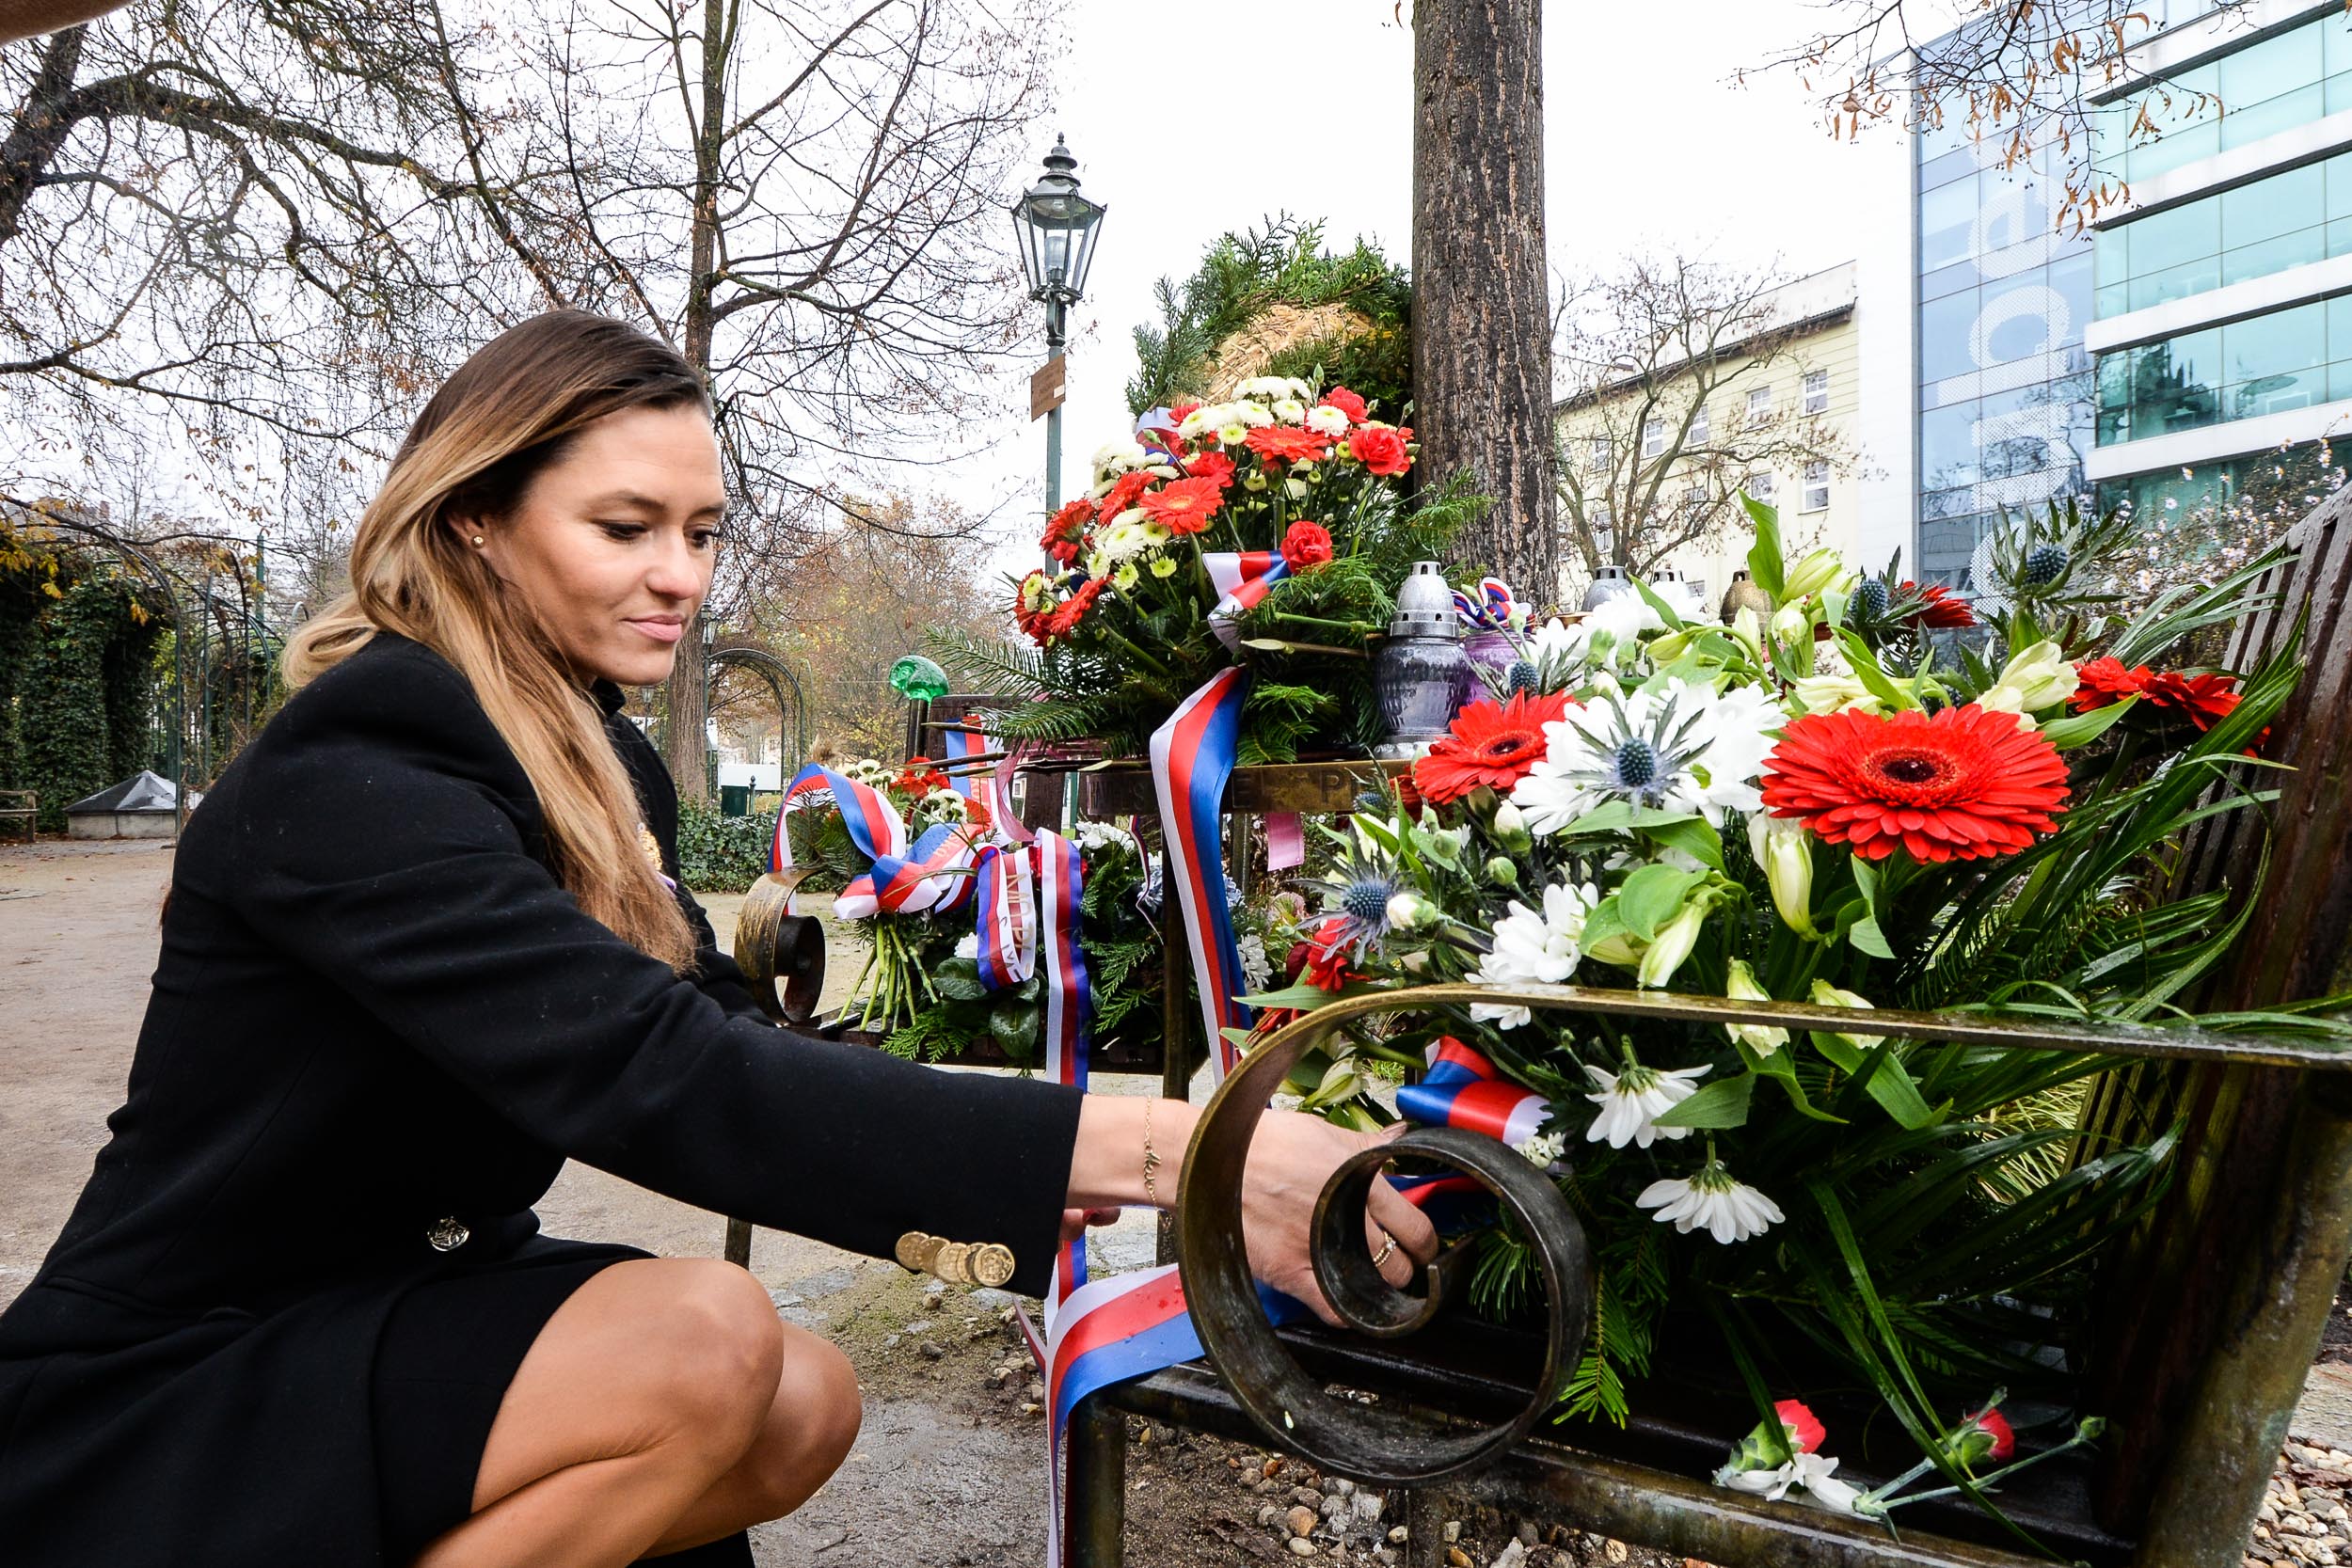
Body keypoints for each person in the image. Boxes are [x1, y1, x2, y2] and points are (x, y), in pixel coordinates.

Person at [0, 311, 1438, 1568]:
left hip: (409, 1298)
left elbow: (723, 1030)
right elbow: (657, 1072)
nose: (680, 575)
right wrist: (1181, 1149)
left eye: (700, 534)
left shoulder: (596, 760)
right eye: (626, 528)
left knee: (806, 1399)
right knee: (708, 1339)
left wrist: (1021, 1164)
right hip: (197, 1360)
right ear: (475, 520)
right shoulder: (356, 764)